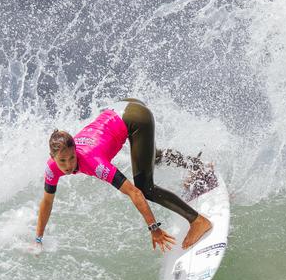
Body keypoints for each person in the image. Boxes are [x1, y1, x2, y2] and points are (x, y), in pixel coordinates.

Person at [34, 98, 215, 252]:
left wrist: (154, 228)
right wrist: (38, 239)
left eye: (72, 157)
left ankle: (197, 220)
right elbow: (47, 202)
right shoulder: (51, 169)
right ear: (53, 157)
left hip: (135, 118)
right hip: (124, 107)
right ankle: (199, 166)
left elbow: (135, 193)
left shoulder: (94, 163)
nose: (68, 165)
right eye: (62, 161)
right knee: (147, 157)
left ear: (75, 150)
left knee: (146, 188)